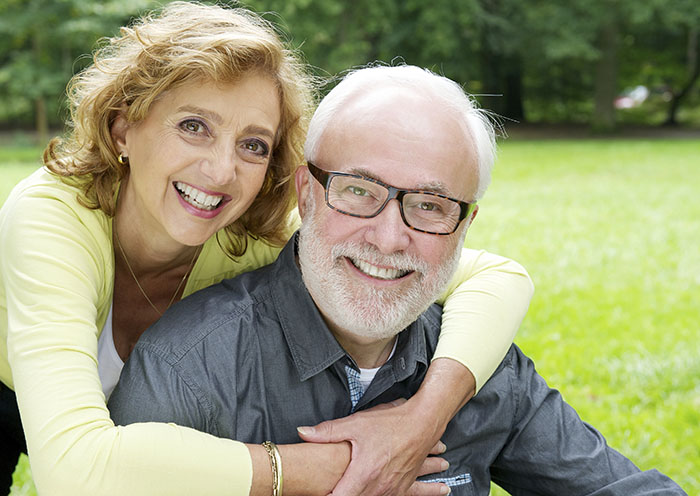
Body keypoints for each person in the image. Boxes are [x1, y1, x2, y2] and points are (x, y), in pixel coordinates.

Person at [0, 3, 535, 496]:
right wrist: (339, 466)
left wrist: (421, 420)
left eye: (253, 145)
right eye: (194, 127)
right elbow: (74, 470)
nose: (220, 171)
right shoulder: (53, 214)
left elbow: (498, 276)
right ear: (123, 127)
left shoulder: (248, 234)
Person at [109, 65, 687, 496]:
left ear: (465, 227)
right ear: (306, 195)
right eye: (359, 191)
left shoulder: (478, 365)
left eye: (431, 206)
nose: (389, 239)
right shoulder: (189, 370)